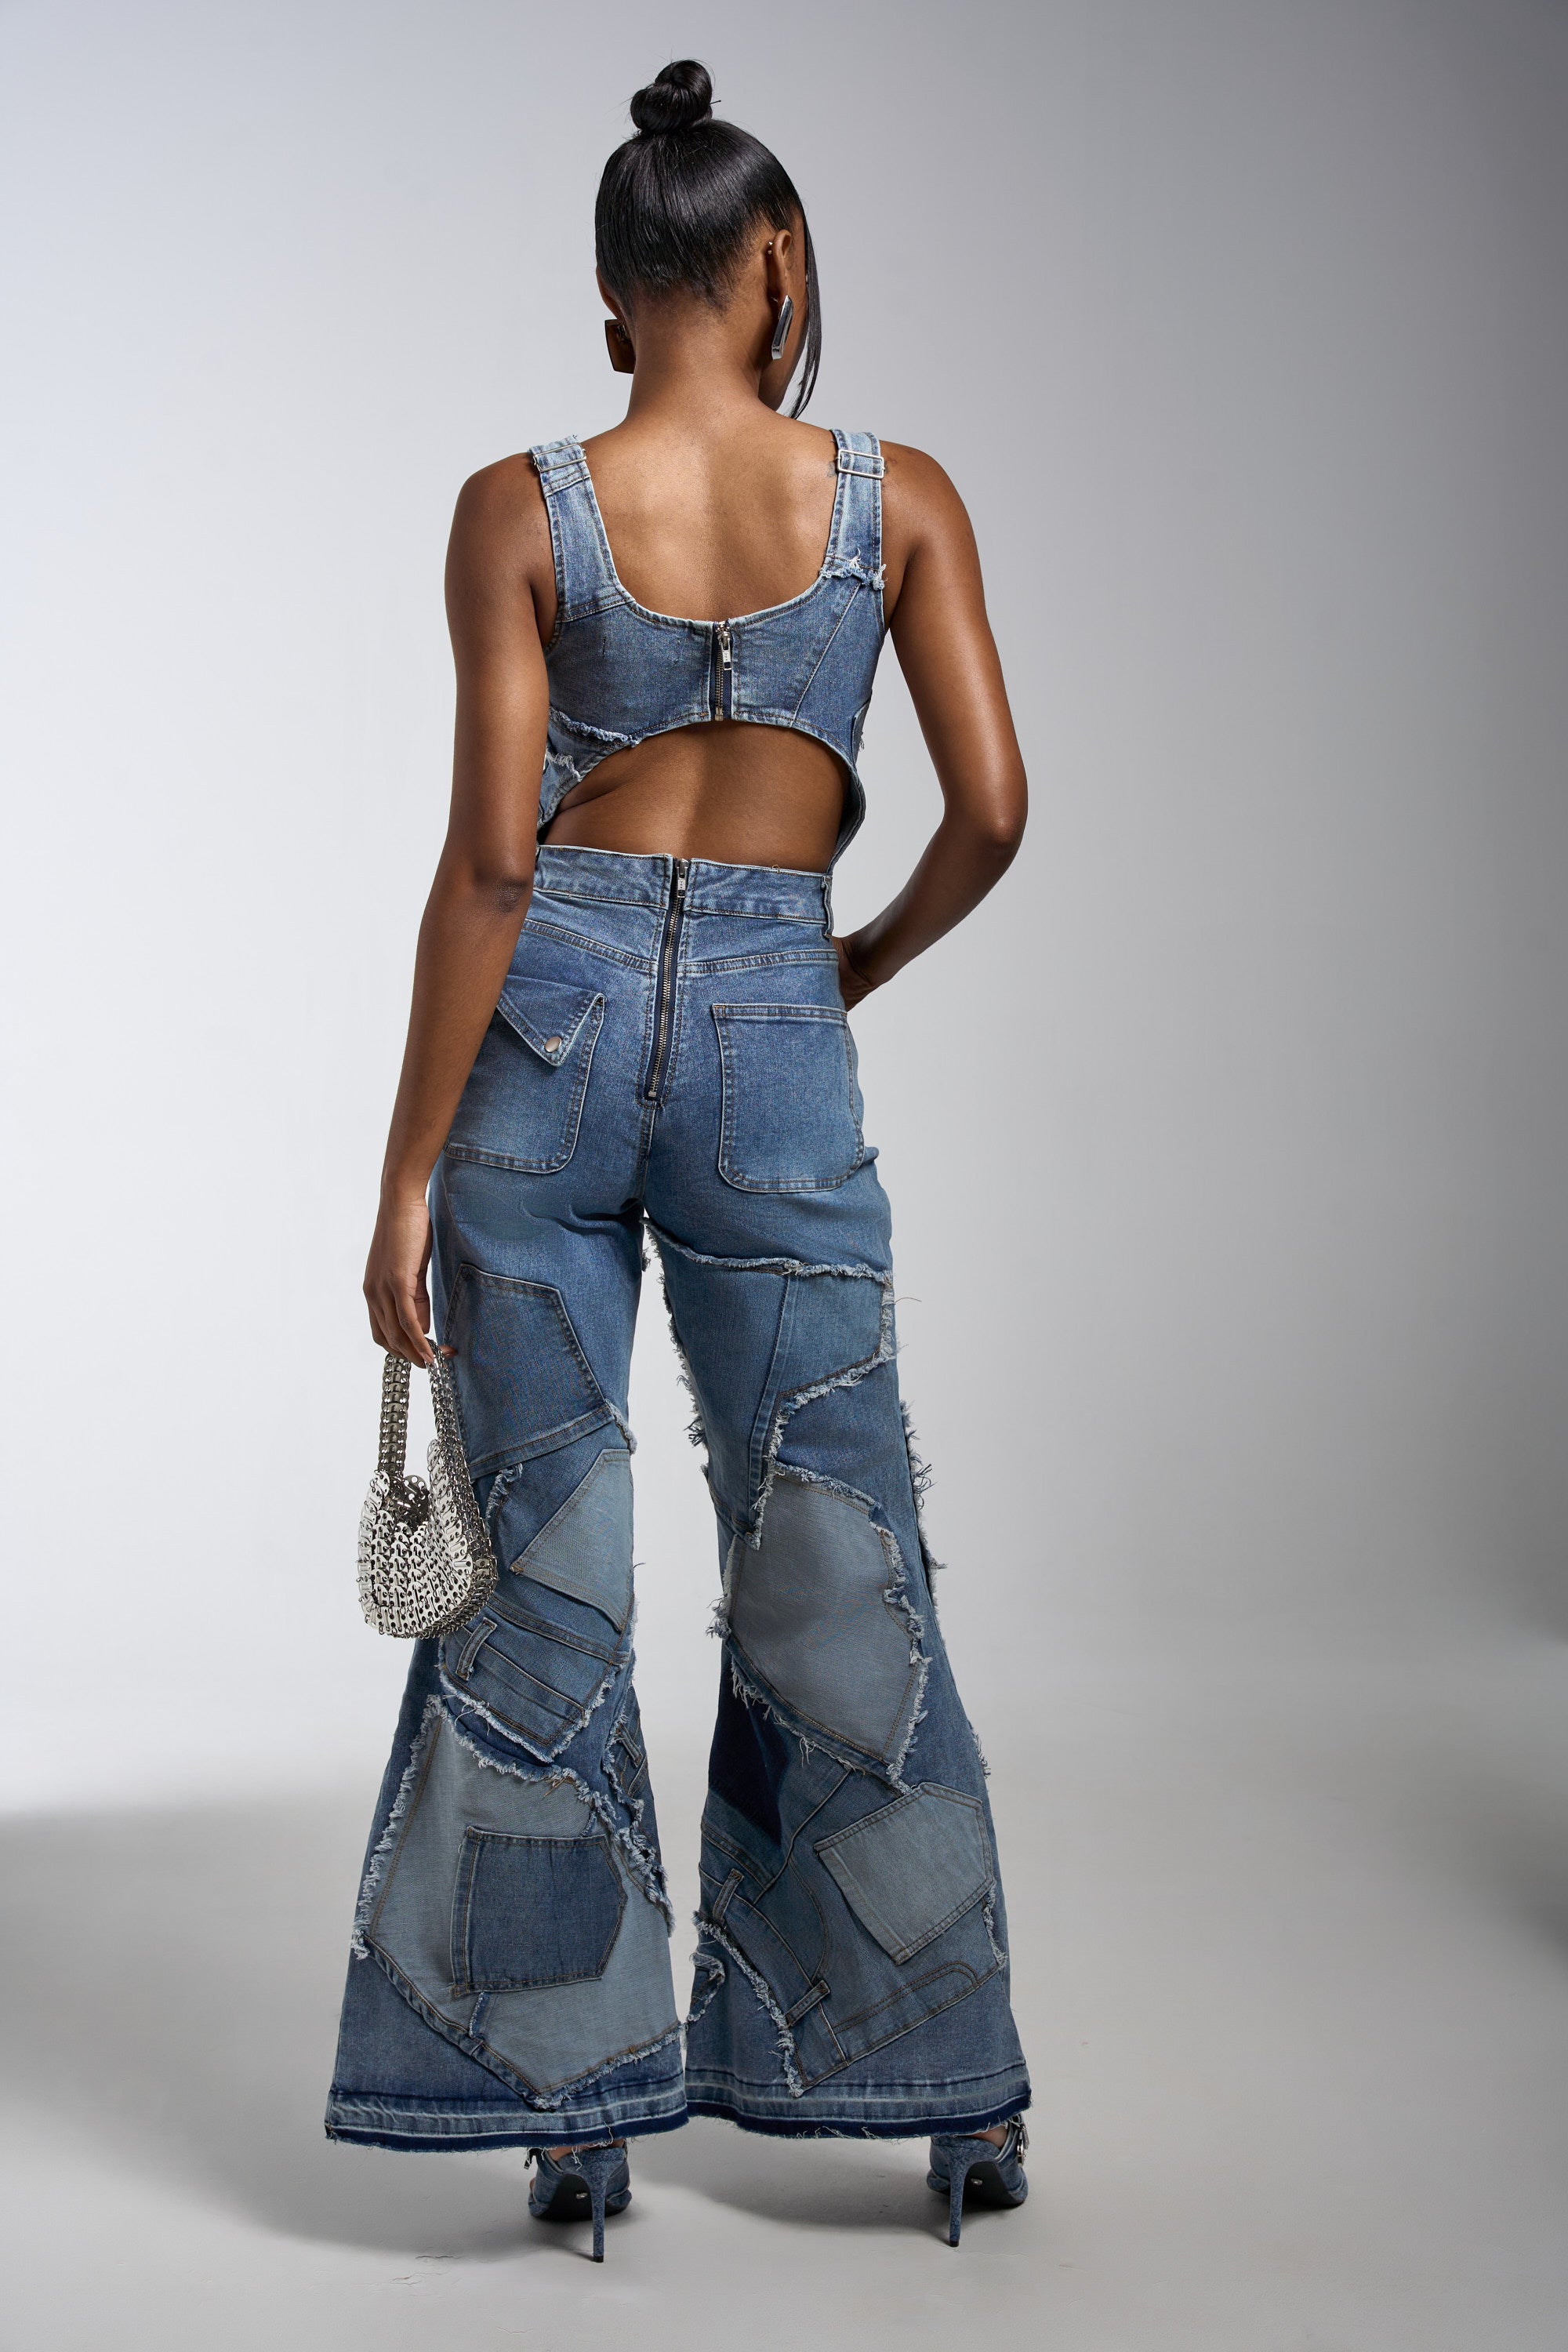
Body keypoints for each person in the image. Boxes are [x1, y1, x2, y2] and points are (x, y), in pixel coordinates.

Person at [327, 58, 1032, 2258]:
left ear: (616, 296)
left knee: (545, 1569)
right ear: (776, 263)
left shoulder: (515, 505)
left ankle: (569, 2112)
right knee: (840, 1536)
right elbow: (995, 811)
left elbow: (481, 868)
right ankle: (949, 2095)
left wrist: (406, 1173)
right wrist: (847, 967)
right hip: (768, 1021)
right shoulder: (894, 495)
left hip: (546, 1031)